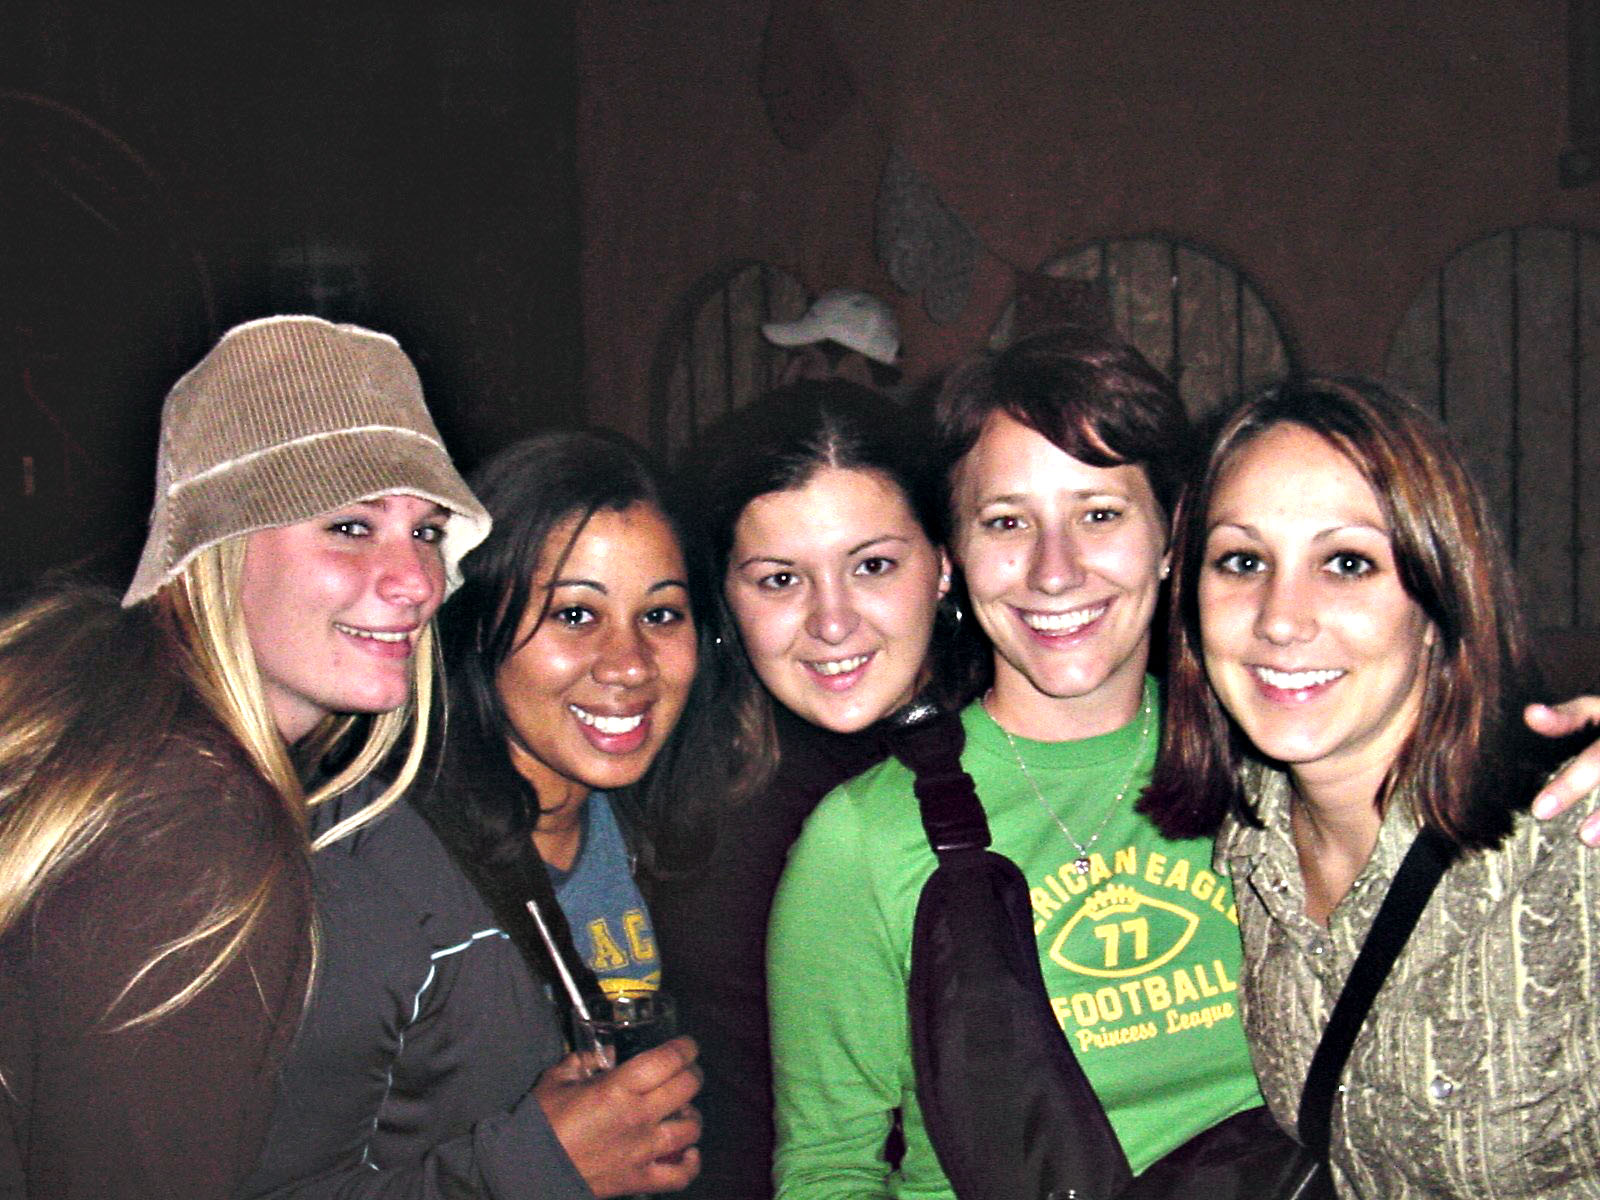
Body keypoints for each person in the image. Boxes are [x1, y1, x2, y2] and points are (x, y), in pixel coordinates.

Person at [768, 329, 1275, 1199]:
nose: (1054, 571)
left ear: (1170, 535)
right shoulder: (864, 838)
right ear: (953, 556)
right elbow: (828, 1167)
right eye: (1007, 521)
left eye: (1099, 514)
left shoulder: (1272, 767)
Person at [0, 315, 492, 1200]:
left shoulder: (127, 748)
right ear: (214, 551)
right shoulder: (187, 827)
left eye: (427, 531)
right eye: (351, 525)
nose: (417, 581)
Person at [1144, 376, 1600, 1199]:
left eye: (1347, 563)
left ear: (1440, 594)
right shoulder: (1248, 841)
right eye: (1243, 561)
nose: (1281, 618)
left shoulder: (1573, 847)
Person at [244, 430, 706, 1199]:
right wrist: (534, 1168)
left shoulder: (661, 829)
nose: (629, 665)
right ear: (475, 625)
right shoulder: (365, 875)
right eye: (575, 615)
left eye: (661, 615)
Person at [648, 379, 956, 1200]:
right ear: (726, 595)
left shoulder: (1031, 747)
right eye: (780, 580)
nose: (832, 621)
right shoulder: (663, 770)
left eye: (873, 566)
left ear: (944, 564)